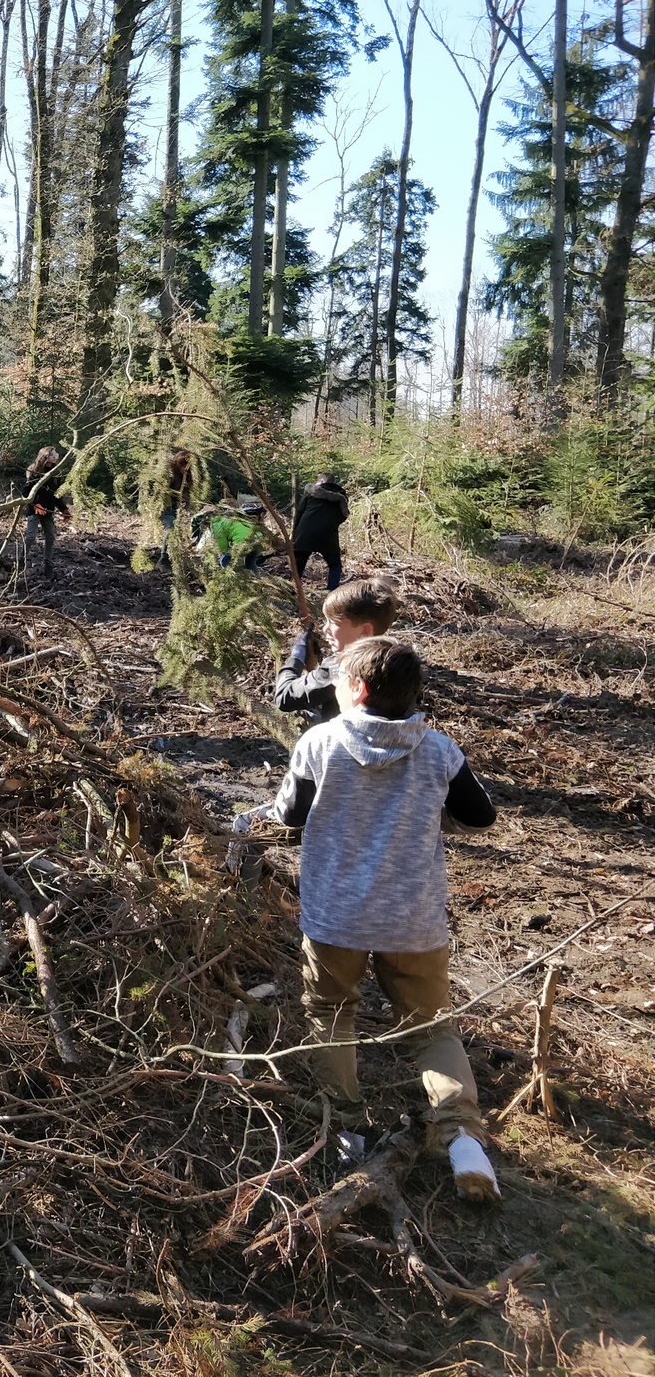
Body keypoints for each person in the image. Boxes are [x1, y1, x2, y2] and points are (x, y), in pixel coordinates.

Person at [234, 636, 500, 1201]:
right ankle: (462, 1138)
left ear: (355, 689)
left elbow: (289, 817)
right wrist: (432, 823)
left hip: (336, 920)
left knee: (331, 1015)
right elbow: (480, 819)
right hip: (415, 921)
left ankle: (348, 1130)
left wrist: (248, 820)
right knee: (431, 1029)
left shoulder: (320, 742)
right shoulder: (439, 751)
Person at [272, 577, 400, 722]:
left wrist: (296, 658)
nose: (325, 629)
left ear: (365, 630)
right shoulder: (398, 661)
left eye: (334, 622)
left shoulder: (341, 667)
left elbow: (284, 696)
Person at [293, 473, 351, 589]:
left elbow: (299, 513)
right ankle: (332, 593)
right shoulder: (342, 497)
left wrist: (295, 534)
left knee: (298, 565)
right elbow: (343, 516)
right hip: (327, 534)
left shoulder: (310, 494)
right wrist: (331, 523)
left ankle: (293, 592)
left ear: (321, 481)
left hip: (305, 532)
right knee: (335, 565)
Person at [22, 446, 73, 576]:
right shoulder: (34, 471)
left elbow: (57, 494)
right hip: (35, 511)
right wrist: (35, 505)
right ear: (45, 456)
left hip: (49, 511)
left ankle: (48, 565)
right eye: (52, 454)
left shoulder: (56, 473)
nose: (55, 457)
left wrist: (64, 510)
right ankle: (21, 561)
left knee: (50, 536)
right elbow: (26, 492)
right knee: (30, 537)